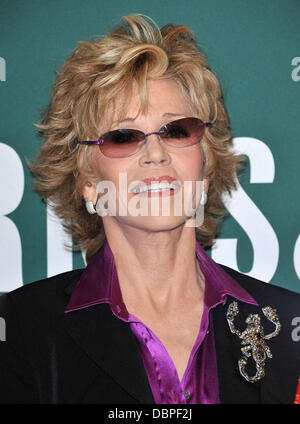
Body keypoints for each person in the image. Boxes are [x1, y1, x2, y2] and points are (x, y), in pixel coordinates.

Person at [0, 14, 299, 404]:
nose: (156, 153)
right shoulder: (22, 330)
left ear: (205, 162)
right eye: (123, 137)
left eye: (177, 130)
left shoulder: (286, 321)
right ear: (87, 178)